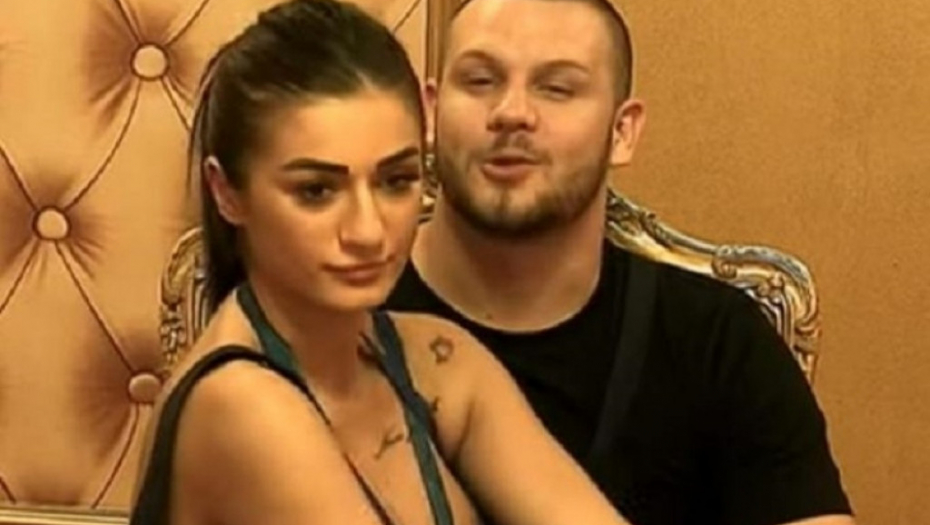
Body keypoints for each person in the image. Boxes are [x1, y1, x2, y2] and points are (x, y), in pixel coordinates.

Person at [129, 1, 636, 525]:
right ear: (227, 193)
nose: (368, 231)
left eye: (396, 181)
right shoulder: (239, 404)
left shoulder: (440, 361)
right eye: (316, 191)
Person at [385, 0, 856, 524]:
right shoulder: (343, 313)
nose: (512, 112)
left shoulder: (716, 339)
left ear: (622, 131)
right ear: (429, 112)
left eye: (556, 88)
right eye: (480, 81)